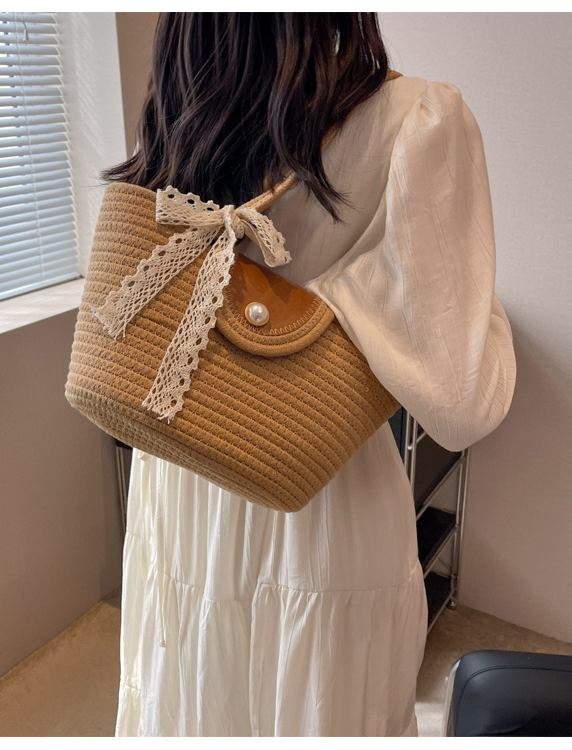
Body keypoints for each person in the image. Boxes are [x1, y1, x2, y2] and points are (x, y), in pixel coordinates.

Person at [100, 12, 516, 737]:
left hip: (185, 470)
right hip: (319, 490)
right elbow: (461, 400)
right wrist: (480, 305)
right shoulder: (412, 119)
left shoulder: (184, 96)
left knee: (194, 694)